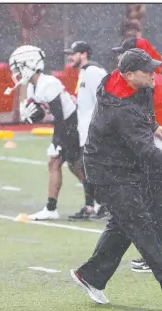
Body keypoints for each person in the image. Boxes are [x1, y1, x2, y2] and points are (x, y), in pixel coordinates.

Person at [70, 48, 162, 308]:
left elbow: (145, 110)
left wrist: (154, 125)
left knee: (123, 224)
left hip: (123, 165)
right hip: (106, 170)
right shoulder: (121, 112)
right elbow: (148, 152)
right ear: (129, 74)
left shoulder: (132, 83)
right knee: (141, 225)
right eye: (148, 71)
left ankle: (90, 276)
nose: (153, 74)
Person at [112, 37, 162, 273]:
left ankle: (154, 256)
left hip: (156, 153)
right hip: (160, 150)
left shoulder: (150, 83)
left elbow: (141, 121)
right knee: (152, 204)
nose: (119, 59)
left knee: (151, 205)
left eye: (124, 54)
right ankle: (153, 254)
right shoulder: (156, 79)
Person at [7, 45, 84, 221]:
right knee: (71, 165)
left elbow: (59, 116)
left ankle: (56, 207)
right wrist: (32, 112)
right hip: (67, 124)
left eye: (19, 67)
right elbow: (44, 112)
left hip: (72, 125)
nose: (18, 72)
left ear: (31, 64)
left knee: (67, 164)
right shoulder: (35, 86)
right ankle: (96, 201)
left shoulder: (48, 83)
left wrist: (57, 141)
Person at [64, 41, 108, 221]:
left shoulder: (93, 72)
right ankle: (92, 205)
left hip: (94, 129)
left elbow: (104, 98)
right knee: (84, 166)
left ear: (83, 54)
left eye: (72, 53)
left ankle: (103, 205)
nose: (69, 57)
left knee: (92, 167)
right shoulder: (84, 72)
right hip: (85, 129)